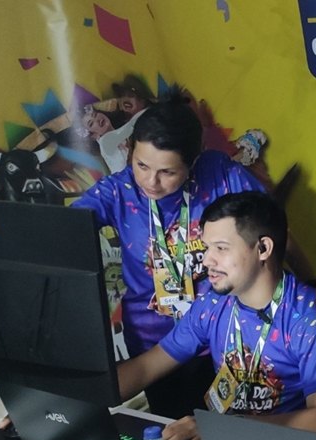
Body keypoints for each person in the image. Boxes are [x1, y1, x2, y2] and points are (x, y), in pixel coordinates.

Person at [72, 88, 268, 419]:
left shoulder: (220, 174)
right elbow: (65, 230)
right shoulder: (118, 191)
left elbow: (269, 230)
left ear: (193, 162)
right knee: (174, 432)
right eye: (141, 165)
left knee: (232, 431)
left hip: (224, 340)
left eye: (167, 172)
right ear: (129, 150)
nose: (151, 181)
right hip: (153, 348)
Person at [116, 191, 316, 440]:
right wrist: (86, 395)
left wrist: (221, 429)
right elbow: (147, 366)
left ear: (263, 249)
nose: (206, 260)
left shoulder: (308, 317)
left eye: (221, 248)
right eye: (207, 248)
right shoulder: (213, 303)